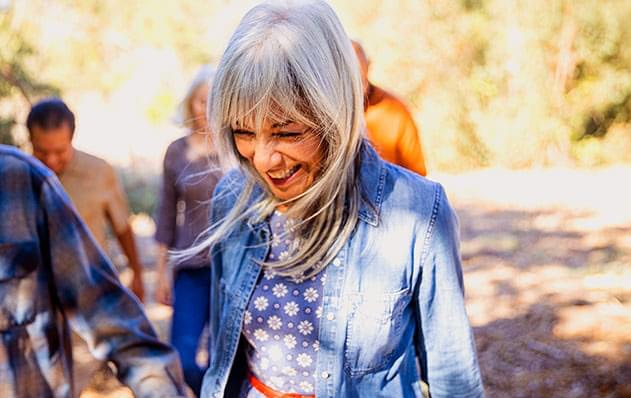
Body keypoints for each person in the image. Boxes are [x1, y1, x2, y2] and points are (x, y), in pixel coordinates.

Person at [181, 1, 484, 397]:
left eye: (287, 133)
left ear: (335, 112)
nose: (262, 158)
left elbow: (454, 378)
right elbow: (225, 359)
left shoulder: (417, 212)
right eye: (243, 131)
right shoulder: (232, 199)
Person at [0, 142, 186, 397]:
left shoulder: (26, 183)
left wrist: (136, 270)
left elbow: (107, 309)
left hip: (77, 272)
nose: (53, 159)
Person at [27, 98, 145, 301]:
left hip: (90, 288)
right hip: (37, 291)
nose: (51, 160)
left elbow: (122, 227)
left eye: (59, 151)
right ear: (30, 140)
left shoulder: (99, 172)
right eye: (42, 152)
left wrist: (137, 274)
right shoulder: (18, 175)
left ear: (71, 139)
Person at [154, 65, 224, 396]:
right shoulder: (176, 151)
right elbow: (166, 215)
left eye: (214, 101)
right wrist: (161, 273)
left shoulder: (235, 149)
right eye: (200, 101)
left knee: (222, 361)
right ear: (190, 103)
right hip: (190, 269)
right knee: (180, 358)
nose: (206, 109)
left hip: (231, 269)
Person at [352, 40, 427, 176]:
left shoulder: (394, 110)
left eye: (360, 80)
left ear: (368, 66)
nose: (357, 88)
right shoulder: (324, 114)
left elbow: (417, 173)